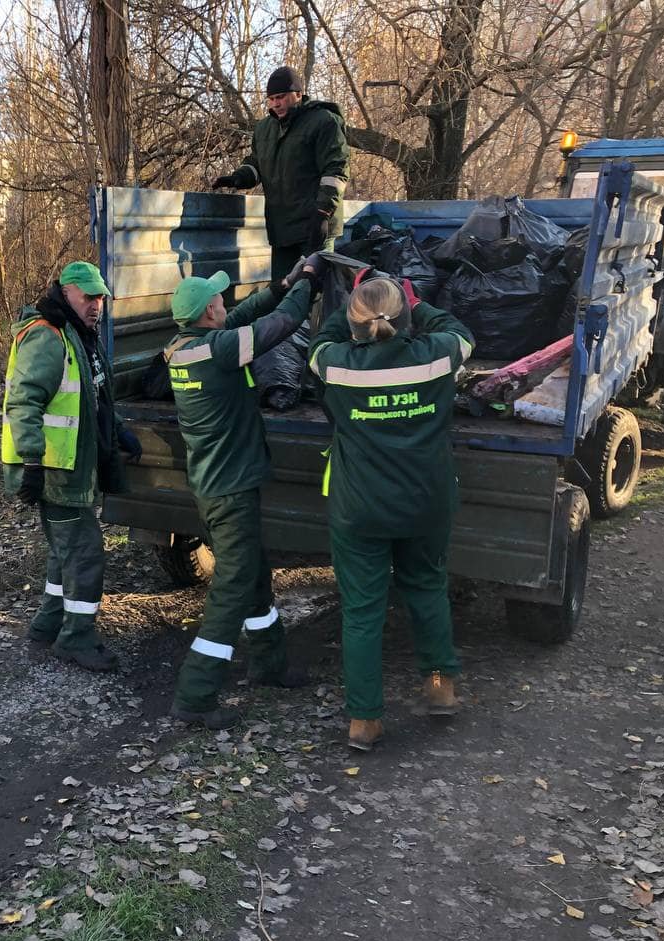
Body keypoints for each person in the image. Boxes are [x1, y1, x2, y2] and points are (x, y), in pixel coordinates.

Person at [307, 276, 475, 751]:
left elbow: (320, 342)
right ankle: (440, 685)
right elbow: (461, 331)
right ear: (402, 317)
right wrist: (417, 304)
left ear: (354, 323)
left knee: (361, 612)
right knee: (426, 587)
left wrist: (351, 300)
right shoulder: (437, 355)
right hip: (426, 501)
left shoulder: (336, 364)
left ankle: (364, 721)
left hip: (360, 507)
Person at [164, 259, 320, 729]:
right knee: (232, 588)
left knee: (253, 573)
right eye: (218, 300)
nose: (224, 303)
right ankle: (195, 692)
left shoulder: (186, 347)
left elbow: (249, 312)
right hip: (230, 489)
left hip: (215, 484)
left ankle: (270, 664)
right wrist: (309, 283)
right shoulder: (218, 351)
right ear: (208, 313)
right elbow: (282, 325)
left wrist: (283, 284)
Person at [2, 261, 141, 673]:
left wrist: (116, 431)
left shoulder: (79, 335)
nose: (97, 305)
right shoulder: (47, 336)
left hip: (71, 467)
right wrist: (31, 463)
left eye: (100, 297)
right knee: (84, 553)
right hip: (53, 470)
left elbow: (90, 396)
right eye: (88, 297)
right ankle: (76, 638)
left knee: (65, 553)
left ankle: (48, 626)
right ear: (66, 292)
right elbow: (23, 402)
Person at [212, 66, 350, 283]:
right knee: (281, 291)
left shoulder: (324, 121)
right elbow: (257, 164)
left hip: (315, 226)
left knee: (314, 293)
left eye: (281, 97)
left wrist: (323, 213)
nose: (276, 104)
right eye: (271, 99)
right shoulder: (264, 129)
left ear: (298, 93)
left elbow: (336, 170)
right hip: (282, 229)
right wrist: (239, 177)